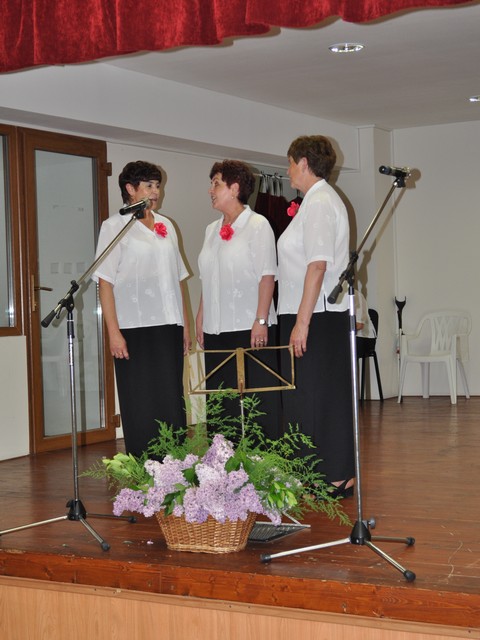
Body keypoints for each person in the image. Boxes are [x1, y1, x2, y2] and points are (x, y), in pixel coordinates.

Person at [93, 161, 191, 457]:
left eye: (157, 185)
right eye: (149, 185)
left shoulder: (166, 225)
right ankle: (144, 464)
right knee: (140, 398)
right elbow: (105, 283)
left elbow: (178, 279)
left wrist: (184, 326)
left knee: (170, 396)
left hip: (169, 325)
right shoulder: (114, 226)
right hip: (133, 328)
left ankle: (175, 464)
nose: (156, 191)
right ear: (130, 189)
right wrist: (113, 332)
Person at [277, 136, 355, 498]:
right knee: (310, 397)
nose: (288, 169)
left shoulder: (321, 201)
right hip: (312, 313)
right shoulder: (314, 201)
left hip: (318, 316)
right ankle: (322, 474)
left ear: (304, 163)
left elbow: (318, 266)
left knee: (322, 396)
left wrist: (302, 322)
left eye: (290, 162)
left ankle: (336, 477)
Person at [196, 160, 280, 439]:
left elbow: (267, 276)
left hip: (250, 327)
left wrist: (261, 320)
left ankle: (264, 460)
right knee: (221, 402)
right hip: (216, 329)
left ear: (234, 188)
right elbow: (208, 278)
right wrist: (201, 318)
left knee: (259, 403)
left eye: (216, 184)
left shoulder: (258, 225)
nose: (210, 190)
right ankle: (222, 460)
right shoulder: (211, 230)